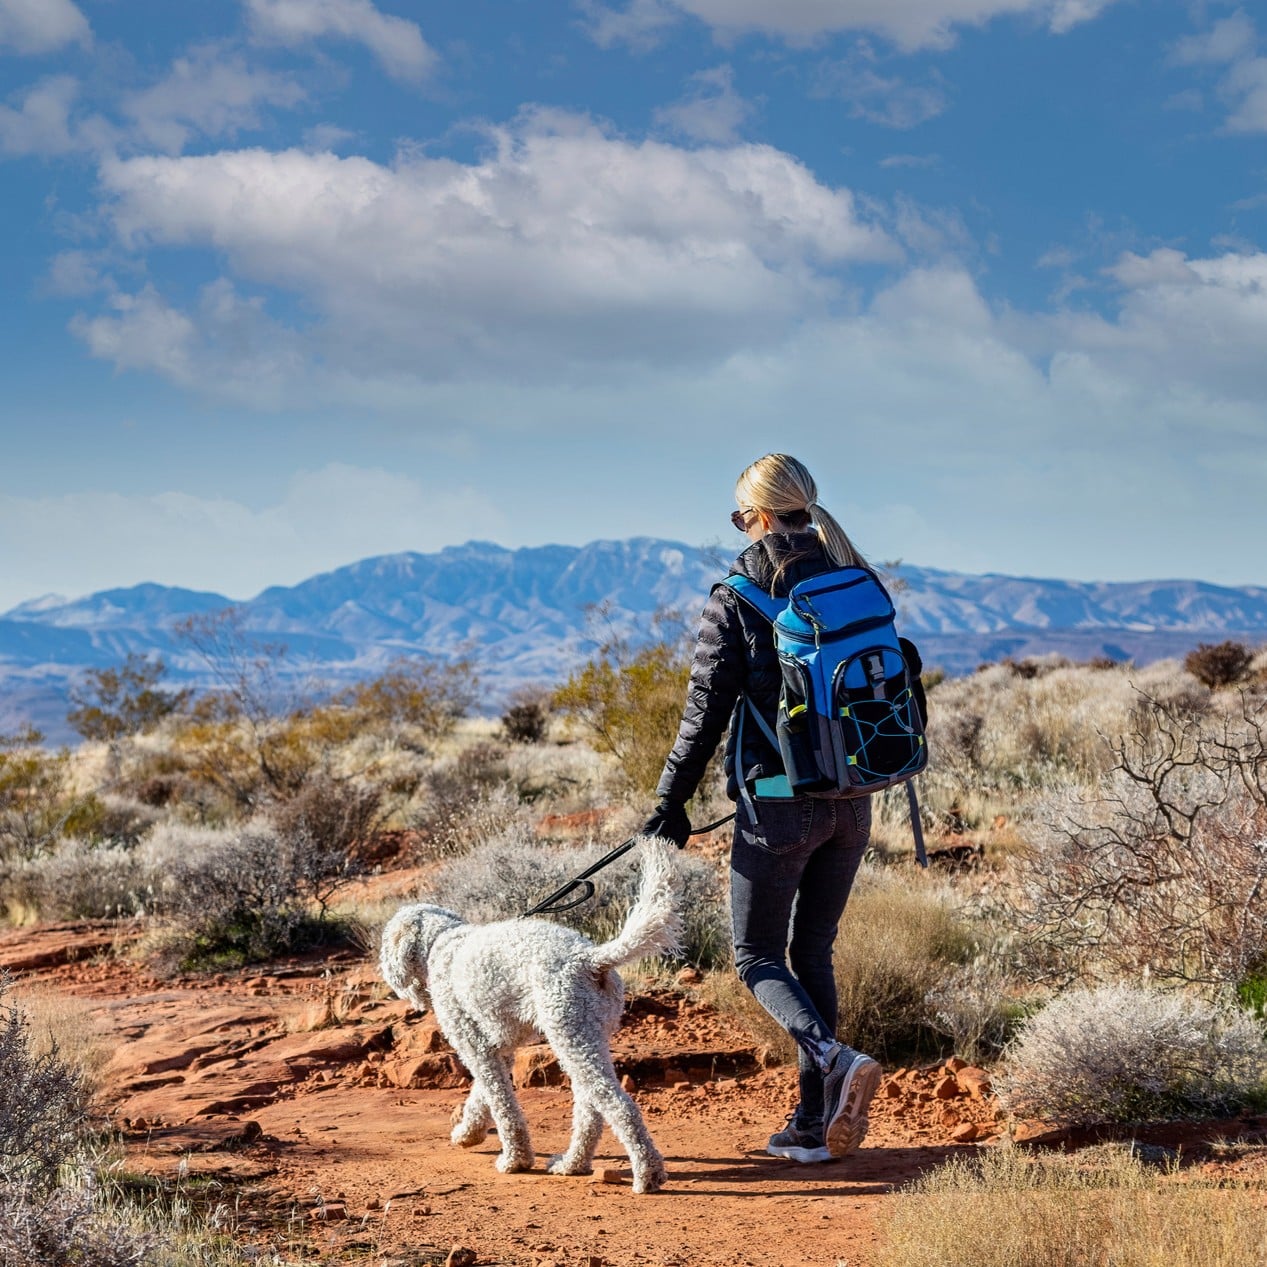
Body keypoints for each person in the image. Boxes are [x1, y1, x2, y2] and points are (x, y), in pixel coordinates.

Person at [641, 453, 882, 1164]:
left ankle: (830, 1060)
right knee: (811, 952)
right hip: (852, 802)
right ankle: (812, 1123)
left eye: (740, 516)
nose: (739, 526)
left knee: (753, 956)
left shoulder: (740, 592)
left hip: (776, 806)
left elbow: (702, 714)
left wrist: (669, 803)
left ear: (761, 515)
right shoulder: (854, 577)